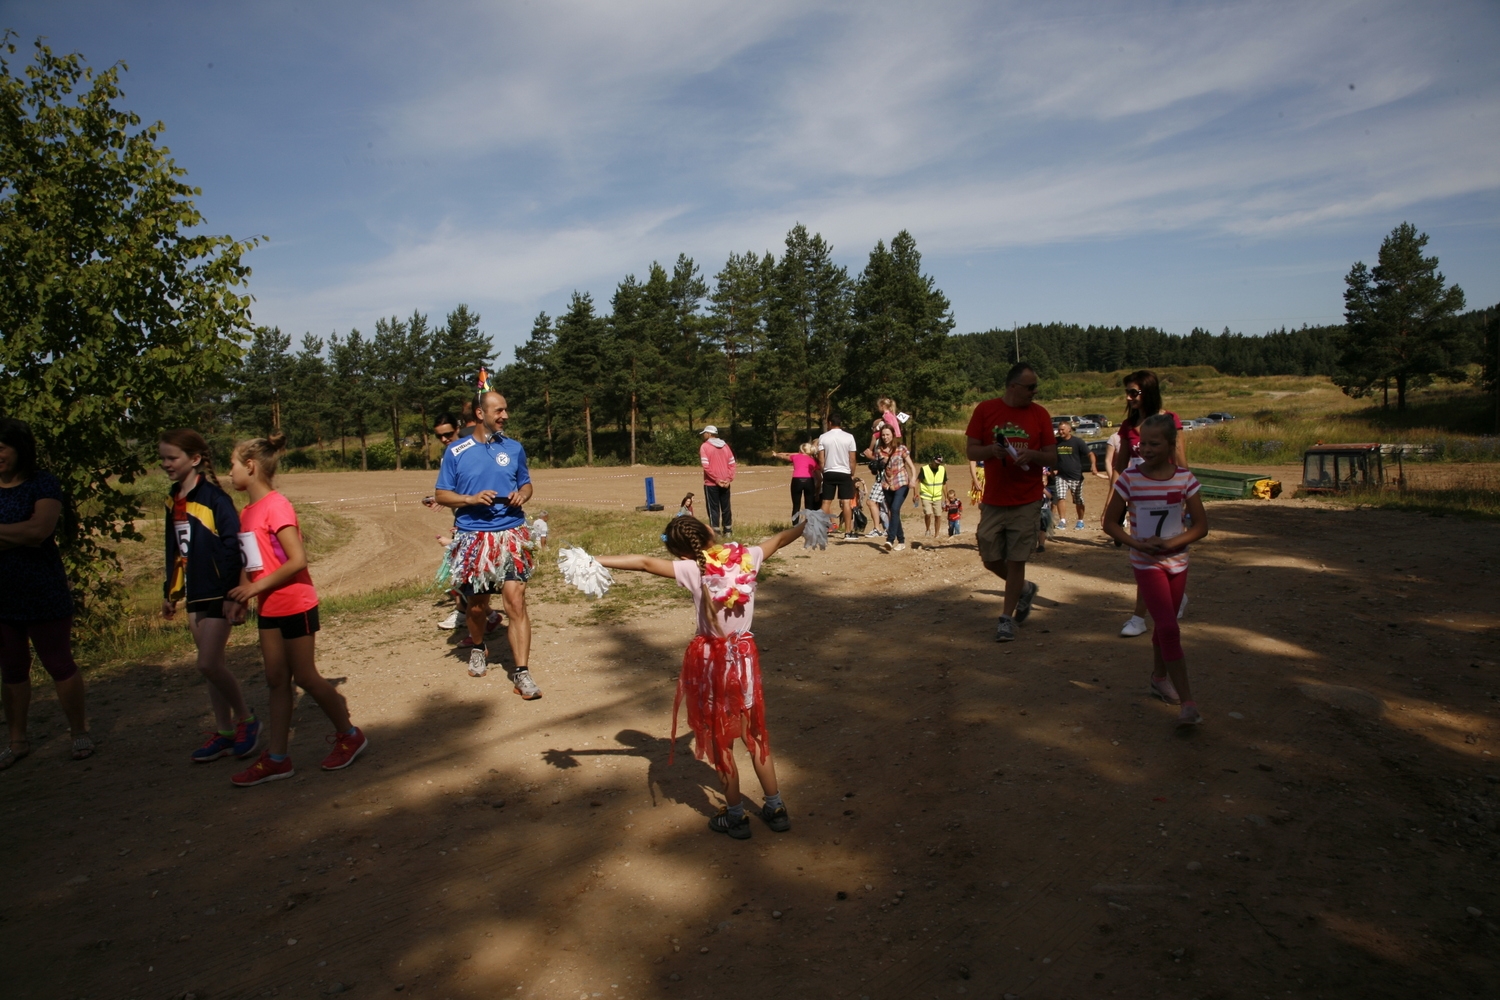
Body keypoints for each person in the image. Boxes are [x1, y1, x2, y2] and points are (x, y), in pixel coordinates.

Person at [594, 515, 807, 839]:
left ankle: (735, 816)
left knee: (721, 741)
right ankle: (775, 807)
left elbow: (645, 563)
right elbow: (779, 539)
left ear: (681, 554)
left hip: (712, 664)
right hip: (744, 661)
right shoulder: (747, 557)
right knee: (756, 735)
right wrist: (809, 523)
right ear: (710, 531)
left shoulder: (694, 569)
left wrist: (592, 559)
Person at [225, 434, 367, 785]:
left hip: (295, 603)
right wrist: (243, 596)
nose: (228, 472)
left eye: (231, 464)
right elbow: (251, 560)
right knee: (276, 681)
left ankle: (350, 736)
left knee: (304, 677)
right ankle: (277, 758)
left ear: (251, 466)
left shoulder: (277, 505)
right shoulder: (247, 512)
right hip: (268, 607)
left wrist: (255, 587)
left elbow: (297, 560)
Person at [158, 429, 260, 763]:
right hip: (194, 592)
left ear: (195, 459)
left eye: (172, 458)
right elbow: (173, 547)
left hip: (220, 591)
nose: (166, 464)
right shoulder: (174, 498)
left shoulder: (216, 499)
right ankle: (225, 731)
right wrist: (170, 592)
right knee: (210, 668)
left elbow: (236, 544)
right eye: (163, 458)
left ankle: (247, 719)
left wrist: (236, 595)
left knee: (208, 662)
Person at [1101, 414, 1209, 726]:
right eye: (1141, 443)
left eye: (1153, 443)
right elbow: (1109, 523)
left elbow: (1201, 526)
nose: (1145, 449)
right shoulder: (1129, 480)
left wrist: (1173, 542)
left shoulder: (1185, 479)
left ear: (1171, 445)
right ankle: (1188, 702)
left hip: (1178, 563)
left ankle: (1159, 676)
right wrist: (1135, 542)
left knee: (1166, 625)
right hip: (1147, 564)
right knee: (1169, 627)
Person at [434, 391, 541, 695]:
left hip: (512, 534)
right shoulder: (456, 451)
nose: (505, 416)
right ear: (481, 414)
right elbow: (442, 494)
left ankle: (522, 673)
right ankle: (479, 646)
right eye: (499, 411)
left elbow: (526, 482)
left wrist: (524, 493)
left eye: (506, 410)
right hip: (474, 538)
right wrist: (469, 499)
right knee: (478, 607)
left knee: (516, 601)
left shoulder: (514, 448)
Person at [0, 418, 92, 768]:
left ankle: (79, 731)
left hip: (42, 590)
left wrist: (14, 535)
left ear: (19, 449)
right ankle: (16, 740)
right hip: (3, 596)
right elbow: (24, 532)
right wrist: (16, 534)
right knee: (11, 668)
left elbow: (39, 531)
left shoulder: (43, 484)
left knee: (58, 662)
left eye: (2, 449)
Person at [964, 361, 1057, 642]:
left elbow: (1052, 457)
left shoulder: (1040, 414)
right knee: (990, 557)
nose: (1034, 391)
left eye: (1035, 387)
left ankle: (1006, 618)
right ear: (1013, 386)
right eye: (1029, 387)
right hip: (994, 499)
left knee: (1016, 559)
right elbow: (970, 450)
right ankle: (1025, 589)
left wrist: (1034, 454)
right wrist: (991, 450)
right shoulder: (985, 409)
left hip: (1027, 499)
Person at [1112, 371, 1189, 638]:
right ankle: (1142, 615)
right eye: (1127, 393)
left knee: (1164, 549)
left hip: (1167, 493)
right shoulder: (1127, 425)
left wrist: (1185, 495)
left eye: (1133, 392)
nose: (1128, 398)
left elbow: (1179, 457)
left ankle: (1146, 612)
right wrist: (1120, 495)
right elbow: (1120, 464)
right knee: (1145, 553)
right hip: (1139, 497)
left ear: (1148, 392)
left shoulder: (1170, 420)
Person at [867, 424, 918, 552]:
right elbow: (877, 470)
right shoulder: (879, 450)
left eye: (887, 434)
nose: (885, 437)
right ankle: (901, 540)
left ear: (893, 435)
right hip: (887, 484)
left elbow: (912, 466)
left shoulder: (901, 448)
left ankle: (890, 539)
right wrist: (875, 466)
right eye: (883, 435)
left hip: (901, 482)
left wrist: (913, 480)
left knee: (895, 508)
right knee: (893, 511)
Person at [817, 413, 859, 536]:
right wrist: (852, 472)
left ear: (830, 423)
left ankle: (821, 529)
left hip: (829, 471)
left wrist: (824, 470)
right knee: (846, 502)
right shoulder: (849, 437)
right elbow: (852, 458)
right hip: (844, 472)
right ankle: (848, 531)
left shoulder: (823, 437)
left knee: (826, 502)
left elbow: (821, 459)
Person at [1051, 422, 1096, 532]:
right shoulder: (1056, 442)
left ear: (1069, 429)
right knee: (1061, 497)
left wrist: (1093, 465)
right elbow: (1051, 455)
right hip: (1061, 476)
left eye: (1062, 429)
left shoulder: (1077, 442)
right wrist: (1052, 468)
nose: (1060, 432)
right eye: (1059, 430)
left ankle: (1080, 521)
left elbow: (1090, 454)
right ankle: (1062, 520)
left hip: (1076, 476)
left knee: (1078, 500)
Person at [698, 425, 736, 537]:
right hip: (726, 482)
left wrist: (716, 479)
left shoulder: (704, 447)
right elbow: (732, 464)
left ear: (709, 434)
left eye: (704, 433)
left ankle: (716, 532)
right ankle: (728, 530)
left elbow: (706, 466)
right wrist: (729, 479)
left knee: (713, 508)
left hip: (711, 483)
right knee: (726, 507)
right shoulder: (726, 446)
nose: (703, 435)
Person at [771, 442, 821, 521]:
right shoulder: (813, 461)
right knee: (809, 505)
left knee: (796, 505)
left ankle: (795, 526)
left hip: (797, 480)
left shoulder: (795, 457)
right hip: (809, 481)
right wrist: (817, 492)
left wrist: (776, 455)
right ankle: (809, 525)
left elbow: (784, 457)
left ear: (801, 450)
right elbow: (819, 478)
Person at [916, 455, 948, 540]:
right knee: (928, 513)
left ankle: (936, 535)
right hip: (926, 495)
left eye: (939, 463)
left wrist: (946, 497)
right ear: (932, 460)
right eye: (936, 462)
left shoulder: (942, 470)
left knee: (938, 515)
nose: (937, 465)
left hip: (937, 496)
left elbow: (944, 484)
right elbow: (917, 482)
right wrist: (916, 494)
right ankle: (927, 529)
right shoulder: (924, 469)